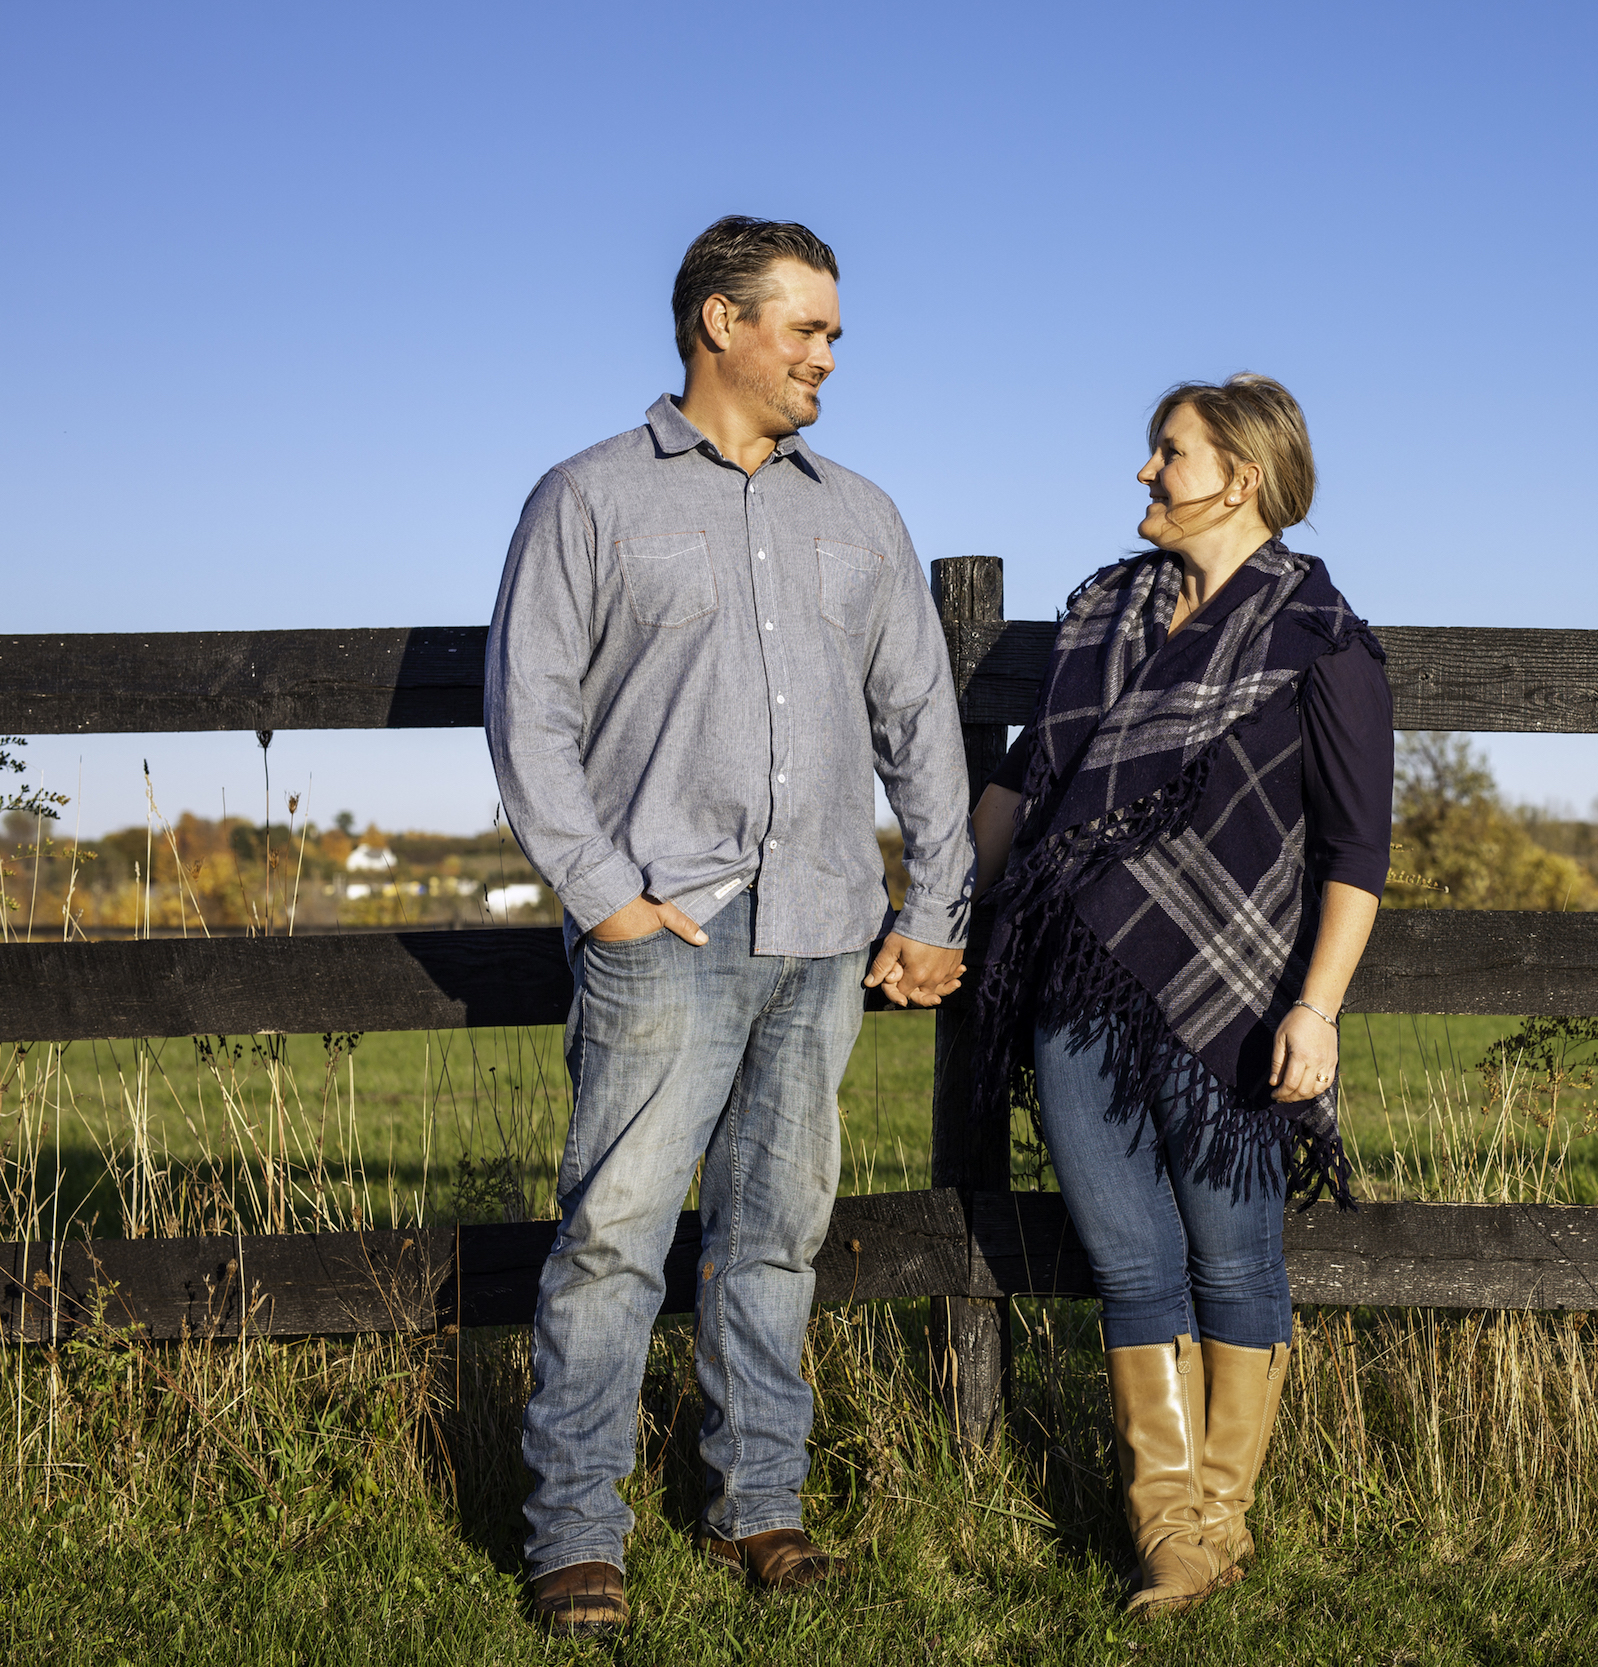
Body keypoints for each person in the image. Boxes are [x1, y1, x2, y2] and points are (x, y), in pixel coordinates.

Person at [485, 215, 975, 1638]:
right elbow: (531, 716)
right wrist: (607, 896)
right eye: (807, 327)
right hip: (668, 935)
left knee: (773, 1237)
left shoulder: (862, 515)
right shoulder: (587, 498)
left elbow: (922, 727)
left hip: (826, 931)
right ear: (721, 321)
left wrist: (936, 903)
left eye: (832, 332)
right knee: (612, 1240)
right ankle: (577, 1532)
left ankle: (759, 1505)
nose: (828, 354)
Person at [969, 374, 1392, 1616]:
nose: (1146, 472)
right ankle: (1169, 1531)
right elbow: (1025, 784)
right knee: (1129, 1256)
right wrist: (938, 916)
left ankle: (1217, 1519)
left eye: (1169, 452)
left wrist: (1316, 1007)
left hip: (1236, 995)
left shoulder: (1320, 638)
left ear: (1239, 477)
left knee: (1235, 1255)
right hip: (1077, 980)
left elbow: (1355, 851)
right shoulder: (1106, 614)